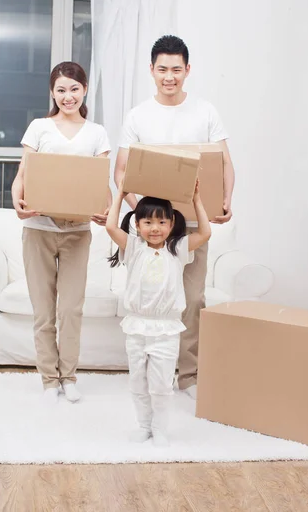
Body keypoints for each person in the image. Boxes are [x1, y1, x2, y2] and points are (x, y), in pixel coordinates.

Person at [114, 35, 235, 398]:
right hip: (154, 228)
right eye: (163, 69)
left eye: (177, 69)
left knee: (193, 298)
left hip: (193, 223)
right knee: (155, 296)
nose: (170, 76)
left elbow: (225, 163)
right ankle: (155, 372)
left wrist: (226, 199)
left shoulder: (205, 111)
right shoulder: (138, 115)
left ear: (188, 70)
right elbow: (121, 171)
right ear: (151, 70)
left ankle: (189, 376)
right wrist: (143, 213)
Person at [12, 62, 111, 404]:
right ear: (52, 93)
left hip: (77, 231)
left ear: (84, 90)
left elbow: (102, 184)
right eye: (60, 90)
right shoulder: (40, 127)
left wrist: (106, 209)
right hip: (38, 228)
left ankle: (69, 376)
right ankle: (48, 380)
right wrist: (17, 200)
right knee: (43, 310)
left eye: (74, 89)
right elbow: (23, 174)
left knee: (70, 309)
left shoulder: (96, 133)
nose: (67, 96)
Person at [106, 179, 211, 446]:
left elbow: (205, 233)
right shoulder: (133, 248)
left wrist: (196, 199)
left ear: (172, 224)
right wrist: (120, 195)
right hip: (137, 327)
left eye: (162, 222)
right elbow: (109, 226)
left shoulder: (177, 250)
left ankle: (160, 429)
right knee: (138, 382)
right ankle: (143, 425)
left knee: (162, 384)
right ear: (138, 226)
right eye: (148, 223)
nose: (155, 228)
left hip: (166, 328)